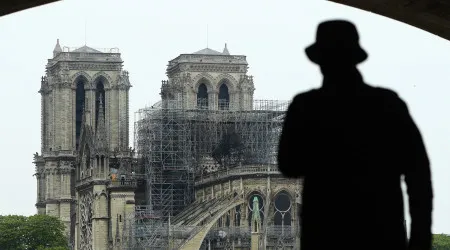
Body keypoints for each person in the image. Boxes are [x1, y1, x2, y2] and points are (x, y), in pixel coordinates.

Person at [277, 20, 433, 250]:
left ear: (320, 61)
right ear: (355, 58)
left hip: (325, 231)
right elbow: (418, 175)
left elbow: (288, 165)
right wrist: (420, 238)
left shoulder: (306, 106)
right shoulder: (388, 104)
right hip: (382, 230)